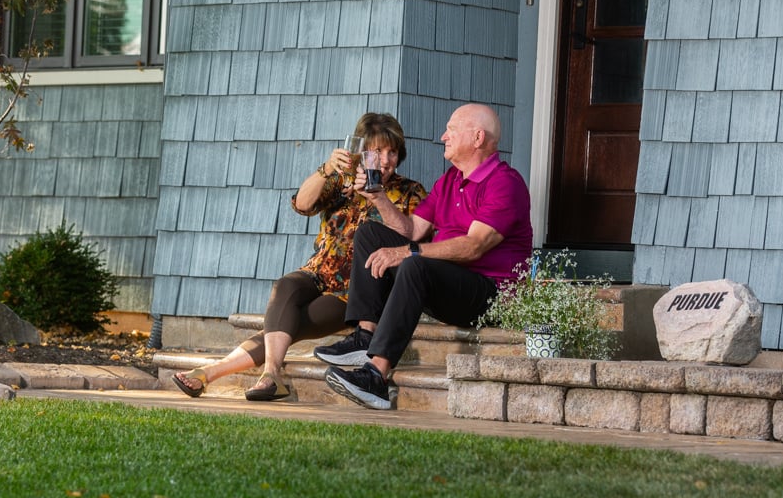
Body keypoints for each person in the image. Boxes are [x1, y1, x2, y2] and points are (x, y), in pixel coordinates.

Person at [172, 113, 427, 401]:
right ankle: (270, 375)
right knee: (285, 287)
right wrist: (327, 168)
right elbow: (302, 204)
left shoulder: (409, 192)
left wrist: (376, 196)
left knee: (293, 322)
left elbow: (410, 238)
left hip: (354, 291)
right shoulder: (341, 180)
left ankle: (214, 372)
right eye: (377, 151)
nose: (385, 159)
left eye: (392, 152)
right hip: (318, 271)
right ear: (361, 152)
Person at [313, 103, 532, 410]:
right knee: (371, 234)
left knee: (415, 263)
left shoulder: (505, 183)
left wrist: (408, 252)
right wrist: (377, 197)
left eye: (452, 130)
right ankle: (365, 336)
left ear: (478, 137)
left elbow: (474, 247)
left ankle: (376, 376)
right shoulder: (450, 181)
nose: (443, 136)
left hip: (489, 293)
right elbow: (412, 229)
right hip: (447, 282)